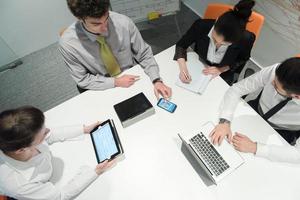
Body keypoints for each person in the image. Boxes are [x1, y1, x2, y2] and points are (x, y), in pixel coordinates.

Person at [59, 0, 172, 99]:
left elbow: (144, 54)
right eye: (96, 24)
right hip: (103, 87)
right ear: (80, 18)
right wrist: (116, 82)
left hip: (133, 77)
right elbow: (82, 79)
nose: (104, 28)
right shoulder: (69, 44)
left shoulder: (123, 22)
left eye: (107, 18)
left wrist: (157, 80)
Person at [0, 106, 115, 199]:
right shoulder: (19, 185)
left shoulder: (24, 136)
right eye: (43, 134)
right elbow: (60, 196)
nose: (48, 130)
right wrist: (95, 172)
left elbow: (50, 134)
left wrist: (84, 129)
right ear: (22, 150)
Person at [210, 57, 300, 163]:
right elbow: (237, 89)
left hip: (282, 132)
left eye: (275, 86)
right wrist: (224, 121)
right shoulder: (276, 71)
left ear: (297, 96)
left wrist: (255, 148)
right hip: (256, 110)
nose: (271, 82)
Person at [173, 0, 256, 85]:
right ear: (216, 22)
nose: (217, 45)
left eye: (224, 44)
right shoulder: (201, 25)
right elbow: (181, 45)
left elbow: (243, 58)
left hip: (223, 72)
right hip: (200, 63)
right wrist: (183, 70)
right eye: (214, 39)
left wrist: (222, 69)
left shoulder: (246, 39)